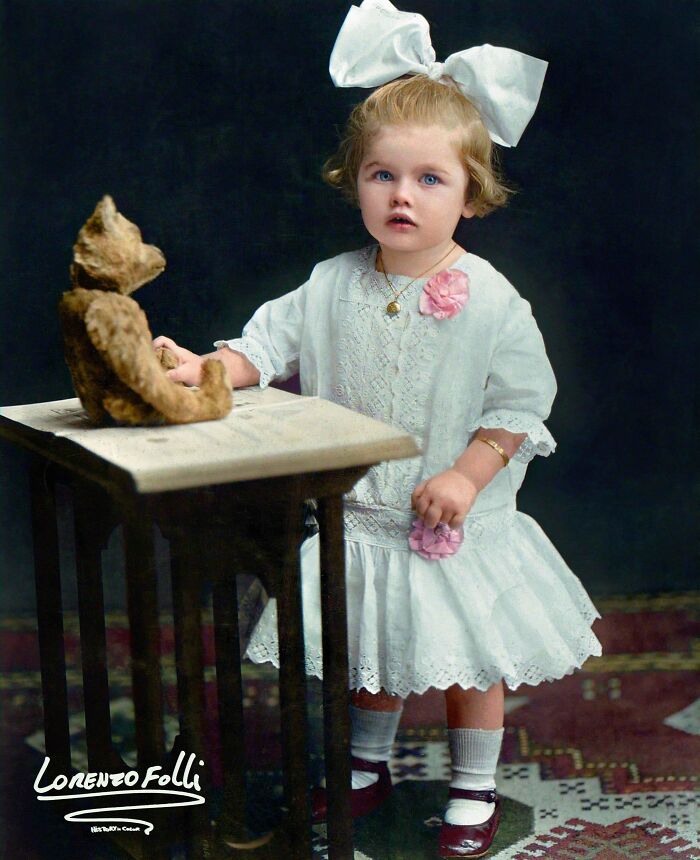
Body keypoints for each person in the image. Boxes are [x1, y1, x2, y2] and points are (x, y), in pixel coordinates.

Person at [154, 2, 602, 855]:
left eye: (430, 179)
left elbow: (518, 405)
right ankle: (366, 765)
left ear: (471, 195)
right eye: (382, 174)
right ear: (353, 179)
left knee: (471, 662)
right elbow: (263, 347)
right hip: (358, 518)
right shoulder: (330, 283)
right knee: (373, 650)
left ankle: (474, 786)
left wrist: (467, 474)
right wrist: (205, 369)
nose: (402, 195)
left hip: (452, 520)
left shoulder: (492, 301)